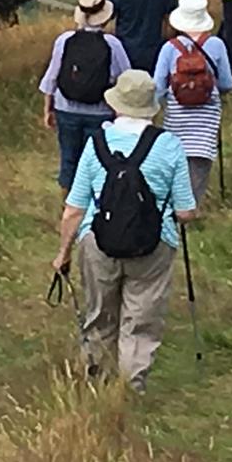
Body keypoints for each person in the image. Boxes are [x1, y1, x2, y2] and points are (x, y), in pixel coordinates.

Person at [51, 71, 199, 392]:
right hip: (153, 245)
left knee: (100, 314)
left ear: (117, 104)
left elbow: (74, 208)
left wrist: (62, 253)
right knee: (141, 319)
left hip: (97, 241)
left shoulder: (96, 144)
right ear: (151, 107)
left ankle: (98, 381)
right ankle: (131, 387)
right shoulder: (169, 145)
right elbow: (186, 211)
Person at [38, 0, 131, 192]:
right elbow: (126, 79)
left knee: (69, 160)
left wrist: (48, 109)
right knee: (99, 162)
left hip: (66, 110)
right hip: (101, 112)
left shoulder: (64, 40)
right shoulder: (112, 44)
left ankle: (68, 208)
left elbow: (51, 77)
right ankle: (96, 208)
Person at [152, 0, 232, 205]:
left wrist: (157, 108)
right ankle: (193, 208)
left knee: (176, 161)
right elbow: (227, 82)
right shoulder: (216, 45)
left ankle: (174, 205)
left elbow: (158, 86)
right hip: (207, 115)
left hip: (177, 114)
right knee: (199, 162)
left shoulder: (169, 48)